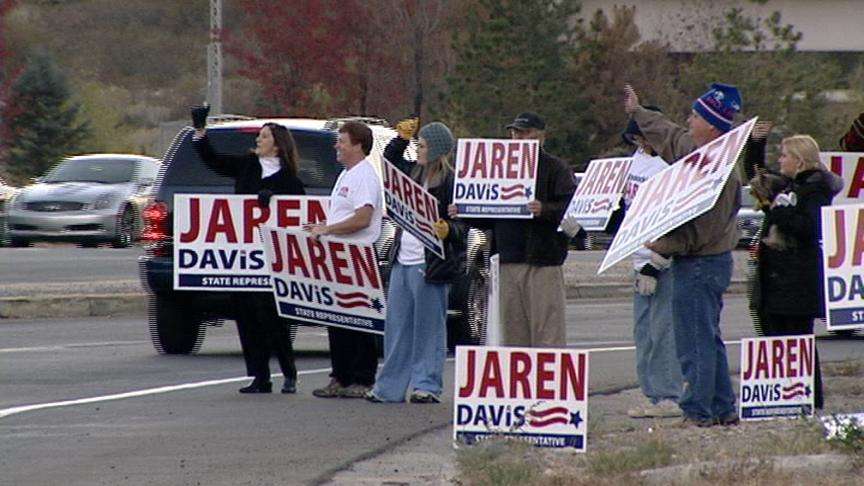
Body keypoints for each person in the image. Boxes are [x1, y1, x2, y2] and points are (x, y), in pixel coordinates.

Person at [624, 83, 743, 426]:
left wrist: (663, 245)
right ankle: (723, 408)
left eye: (694, 116)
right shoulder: (697, 150)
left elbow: (702, 230)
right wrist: (638, 112)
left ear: (712, 125)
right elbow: (671, 135)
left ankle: (697, 411)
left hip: (702, 263)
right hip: (701, 261)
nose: (688, 121)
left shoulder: (718, 170)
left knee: (694, 342)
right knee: (707, 337)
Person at [191, 105, 304, 394]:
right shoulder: (246, 165)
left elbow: (298, 210)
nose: (258, 141)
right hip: (244, 258)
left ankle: (289, 373)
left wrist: (275, 198)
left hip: (273, 261)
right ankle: (260, 376)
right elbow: (213, 161)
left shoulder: (290, 179)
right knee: (247, 315)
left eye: (264, 137)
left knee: (274, 318)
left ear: (277, 145)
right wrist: (200, 131)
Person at [448, 112, 576, 347]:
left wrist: (545, 209)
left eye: (526, 133)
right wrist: (465, 212)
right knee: (513, 332)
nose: (519, 138)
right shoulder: (499, 169)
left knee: (547, 330)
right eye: (516, 132)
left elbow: (573, 210)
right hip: (508, 259)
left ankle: (546, 382)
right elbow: (491, 215)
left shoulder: (555, 168)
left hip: (543, 261)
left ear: (541, 137)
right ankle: (521, 383)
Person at [365, 119, 466, 404]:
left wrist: (448, 229)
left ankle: (427, 385)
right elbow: (390, 161)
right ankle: (389, 388)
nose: (418, 150)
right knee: (396, 328)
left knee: (429, 329)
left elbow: (465, 226)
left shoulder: (451, 182)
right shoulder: (412, 173)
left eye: (421, 145)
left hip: (431, 264)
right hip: (403, 259)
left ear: (436, 149)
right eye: (417, 144)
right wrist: (400, 139)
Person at [747, 134, 843, 409]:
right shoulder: (790, 185)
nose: (780, 160)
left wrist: (776, 212)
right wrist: (756, 144)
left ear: (799, 160)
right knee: (776, 339)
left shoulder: (815, 189)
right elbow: (757, 176)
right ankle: (782, 397)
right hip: (777, 277)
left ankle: (808, 400)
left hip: (797, 279)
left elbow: (809, 228)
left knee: (798, 342)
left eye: (784, 156)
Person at [307, 121, 383, 399]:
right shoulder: (346, 175)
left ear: (358, 145)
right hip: (339, 256)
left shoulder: (365, 175)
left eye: (342, 141)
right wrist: (322, 227)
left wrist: (329, 229)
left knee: (359, 320)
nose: (336, 146)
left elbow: (363, 219)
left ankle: (363, 379)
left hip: (358, 255)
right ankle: (340, 376)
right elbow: (343, 216)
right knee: (337, 319)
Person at [617, 108, 683, 419]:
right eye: (635, 139)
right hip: (637, 255)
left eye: (642, 139)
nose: (639, 144)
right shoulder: (637, 160)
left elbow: (676, 217)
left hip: (662, 259)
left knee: (663, 330)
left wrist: (658, 261)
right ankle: (650, 392)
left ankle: (668, 393)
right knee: (642, 332)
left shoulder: (670, 165)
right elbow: (626, 208)